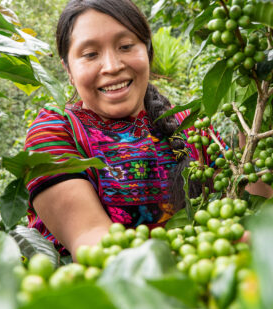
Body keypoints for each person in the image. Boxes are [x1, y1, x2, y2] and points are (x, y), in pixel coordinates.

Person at [24, 0, 226, 259]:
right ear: (68, 69)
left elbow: (251, 198)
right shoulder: (53, 133)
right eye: (90, 54)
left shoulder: (190, 125)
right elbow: (94, 243)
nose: (112, 66)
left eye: (126, 46)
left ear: (148, 51)